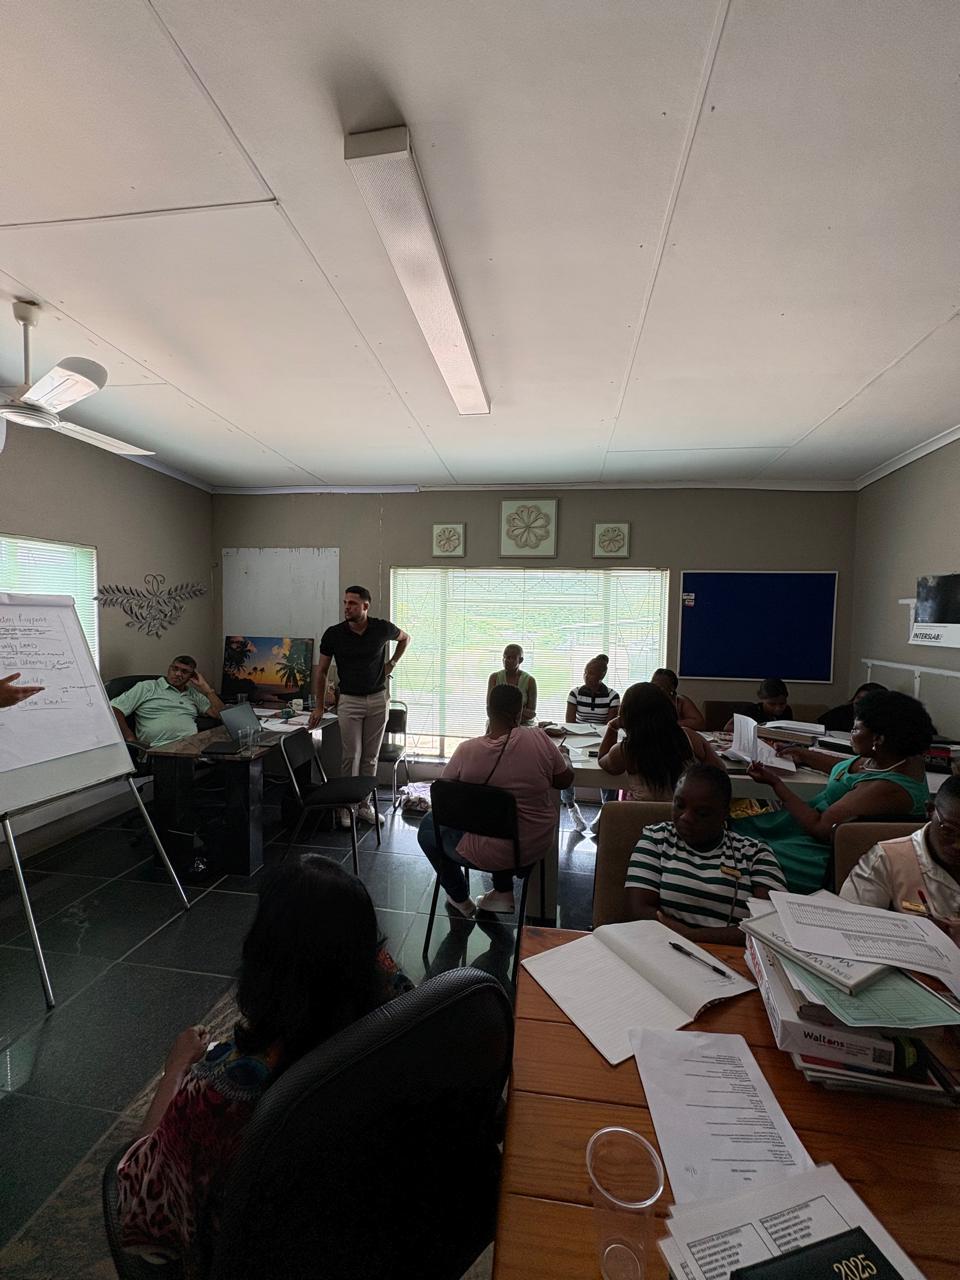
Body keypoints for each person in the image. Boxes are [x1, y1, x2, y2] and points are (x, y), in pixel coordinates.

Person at [115, 856, 410, 1269]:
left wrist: (175, 1070)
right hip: (376, 1229)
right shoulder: (400, 1004)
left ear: (261, 958)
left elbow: (141, 1197)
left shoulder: (220, 1093)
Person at [733, 689, 934, 895]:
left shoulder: (887, 788)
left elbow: (820, 827)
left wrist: (776, 784)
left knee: (742, 854)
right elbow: (847, 769)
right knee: (733, 831)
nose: (851, 733)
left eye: (856, 729)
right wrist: (803, 755)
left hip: (822, 852)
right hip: (799, 826)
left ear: (879, 739)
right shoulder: (888, 756)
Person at [418, 682, 573, 916]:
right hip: (535, 843)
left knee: (428, 828)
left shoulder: (466, 751)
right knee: (504, 817)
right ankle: (502, 891)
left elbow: (443, 801)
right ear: (520, 713)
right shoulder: (539, 738)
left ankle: (459, 897)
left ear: (488, 710)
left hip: (488, 851)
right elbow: (564, 780)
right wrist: (565, 758)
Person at [625, 764, 786, 944]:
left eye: (701, 813)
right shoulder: (657, 838)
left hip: (730, 956)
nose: (685, 817)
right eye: (679, 805)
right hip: (662, 948)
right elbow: (639, 910)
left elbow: (770, 927)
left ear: (725, 813)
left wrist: (691, 937)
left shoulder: (756, 854)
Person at [308, 585, 410, 826]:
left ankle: (364, 805)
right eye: (345, 602)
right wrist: (319, 706)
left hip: (377, 699)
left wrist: (392, 663)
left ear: (365, 606)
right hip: (349, 701)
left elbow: (406, 638)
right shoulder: (334, 634)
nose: (347, 607)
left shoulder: (381, 628)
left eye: (352, 603)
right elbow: (321, 672)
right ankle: (347, 807)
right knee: (351, 755)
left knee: (370, 758)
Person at [839, 774, 960, 940]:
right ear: (930, 810)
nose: (957, 845)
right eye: (948, 830)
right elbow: (850, 929)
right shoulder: (885, 860)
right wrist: (912, 933)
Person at [598, 682, 724, 801]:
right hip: (683, 814)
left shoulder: (626, 750)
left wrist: (612, 727)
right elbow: (720, 771)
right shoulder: (689, 737)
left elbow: (603, 760)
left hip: (641, 815)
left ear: (626, 714)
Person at [110, 655, 224, 748]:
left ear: (192, 676)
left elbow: (221, 715)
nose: (178, 674)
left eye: (184, 672)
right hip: (158, 748)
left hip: (190, 747)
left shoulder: (193, 694)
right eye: (175, 669)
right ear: (169, 668)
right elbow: (115, 709)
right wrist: (130, 738)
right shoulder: (147, 687)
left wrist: (206, 688)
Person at [562, 653, 620, 833]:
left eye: (592, 673)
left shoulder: (613, 696)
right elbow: (570, 723)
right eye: (586, 672)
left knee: (609, 767)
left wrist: (597, 737)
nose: (587, 676)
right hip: (577, 740)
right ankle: (571, 807)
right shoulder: (575, 693)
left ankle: (605, 810)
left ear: (602, 675)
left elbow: (610, 727)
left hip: (601, 741)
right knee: (564, 765)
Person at [487, 643, 537, 725]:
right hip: (499, 724)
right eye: (505, 657)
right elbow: (490, 708)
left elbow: (531, 713)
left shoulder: (530, 681)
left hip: (523, 724)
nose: (506, 660)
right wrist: (519, 711)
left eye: (511, 658)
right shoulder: (494, 678)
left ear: (520, 660)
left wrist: (504, 710)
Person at [724, 677, 793, 729]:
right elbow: (728, 727)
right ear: (761, 698)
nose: (778, 708)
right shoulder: (751, 711)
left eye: (782, 704)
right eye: (772, 704)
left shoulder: (787, 710)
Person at [821, 681, 887, 733]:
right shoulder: (840, 713)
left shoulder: (882, 720)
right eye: (858, 697)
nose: (858, 702)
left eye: (864, 699)